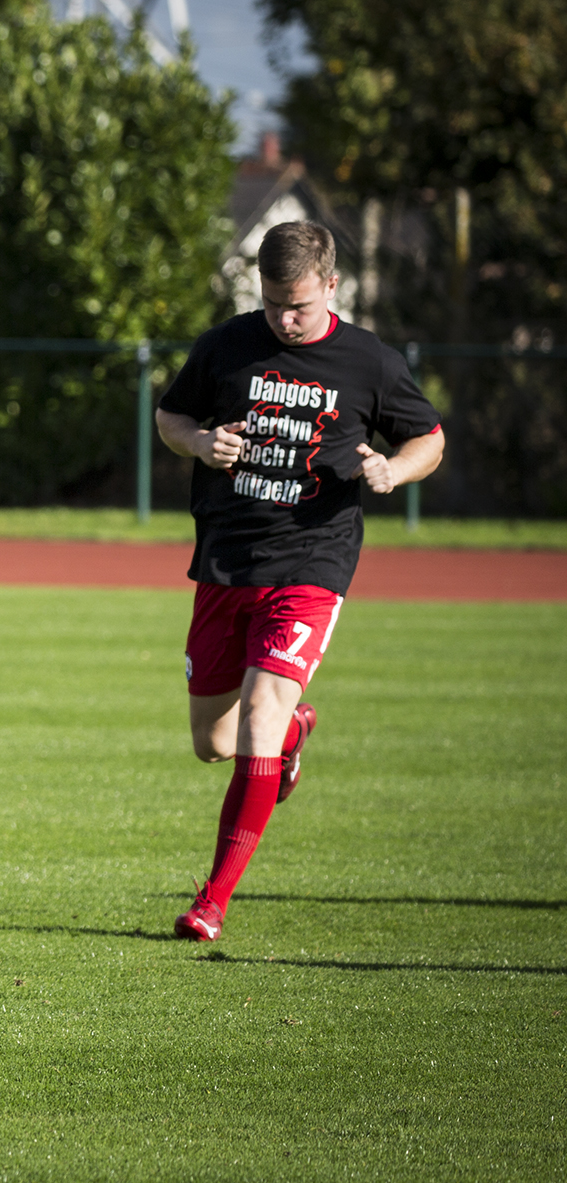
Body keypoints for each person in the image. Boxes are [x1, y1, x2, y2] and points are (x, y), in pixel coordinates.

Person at [155, 220, 444, 941]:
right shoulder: (226, 344)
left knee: (259, 713)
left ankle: (212, 900)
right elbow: (170, 414)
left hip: (313, 560)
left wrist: (393, 468)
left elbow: (428, 438)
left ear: (332, 286)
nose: (286, 318)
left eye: (301, 306)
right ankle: (290, 740)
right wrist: (199, 440)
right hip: (227, 559)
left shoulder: (369, 361)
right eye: (275, 303)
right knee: (213, 741)